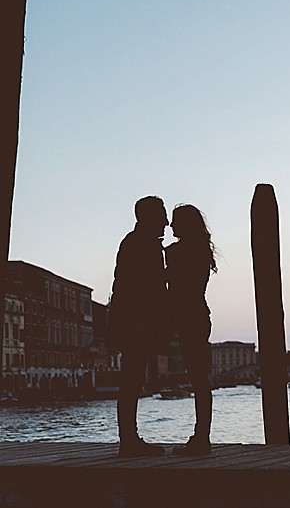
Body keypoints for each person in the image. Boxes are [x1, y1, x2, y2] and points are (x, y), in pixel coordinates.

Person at [109, 196, 168, 457]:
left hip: (135, 322)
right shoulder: (142, 245)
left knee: (132, 380)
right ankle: (129, 441)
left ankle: (129, 439)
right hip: (138, 323)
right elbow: (143, 290)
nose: (166, 222)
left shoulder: (135, 243)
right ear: (150, 218)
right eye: (162, 216)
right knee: (132, 380)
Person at [165, 204, 218, 455]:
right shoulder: (201, 251)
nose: (171, 226)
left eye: (175, 221)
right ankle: (202, 436)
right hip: (199, 315)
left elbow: (170, 287)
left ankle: (200, 439)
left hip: (187, 318)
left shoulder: (175, 252)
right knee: (200, 380)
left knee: (197, 377)